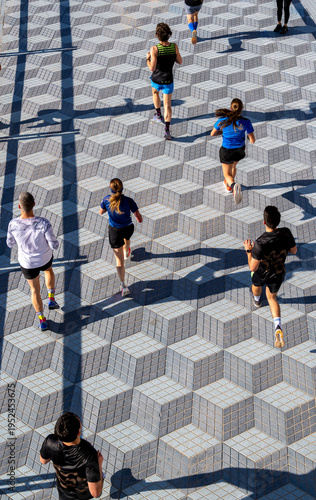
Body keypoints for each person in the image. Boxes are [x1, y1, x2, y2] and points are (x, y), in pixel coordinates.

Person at [243, 206, 297, 348]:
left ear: (264, 222)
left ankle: (257, 301)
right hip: (278, 272)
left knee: (256, 287)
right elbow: (294, 250)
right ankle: (277, 326)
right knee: (272, 298)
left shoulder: (260, 243)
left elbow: (252, 267)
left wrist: (249, 250)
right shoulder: (286, 233)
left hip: (262, 272)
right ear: (278, 221)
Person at [6, 192, 59, 331]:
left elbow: (10, 243)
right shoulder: (43, 223)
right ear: (34, 204)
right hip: (45, 257)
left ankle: (42, 320)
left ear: (19, 206)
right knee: (48, 270)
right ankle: (51, 299)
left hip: (27, 263)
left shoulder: (13, 224)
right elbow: (54, 245)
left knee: (34, 290)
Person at [40, 412, 103, 499]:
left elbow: (43, 461)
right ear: (79, 432)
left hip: (63, 493)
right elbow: (96, 493)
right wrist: (99, 464)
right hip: (82, 495)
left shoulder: (50, 441)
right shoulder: (89, 454)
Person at [99, 178, 143, 297]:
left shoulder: (107, 200)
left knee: (119, 262)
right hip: (128, 228)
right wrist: (138, 218)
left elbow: (100, 212)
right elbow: (139, 218)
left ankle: (123, 285)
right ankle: (127, 250)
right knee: (127, 238)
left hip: (115, 231)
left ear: (111, 189)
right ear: (123, 188)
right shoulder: (129, 201)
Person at [210, 98, 255, 204]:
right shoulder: (246, 122)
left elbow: (212, 133)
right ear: (241, 109)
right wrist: (247, 136)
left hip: (226, 150)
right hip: (239, 150)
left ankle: (233, 186)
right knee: (234, 166)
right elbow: (252, 140)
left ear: (231, 108)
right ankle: (229, 186)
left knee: (227, 174)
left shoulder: (222, 121)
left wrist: (224, 133)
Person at [146, 22, 182, 140]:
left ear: (157, 35)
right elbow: (180, 61)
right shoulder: (174, 47)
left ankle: (158, 114)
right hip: (168, 80)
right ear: (169, 34)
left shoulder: (155, 49)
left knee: (155, 93)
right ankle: (167, 130)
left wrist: (148, 58)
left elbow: (152, 67)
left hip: (156, 79)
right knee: (167, 105)